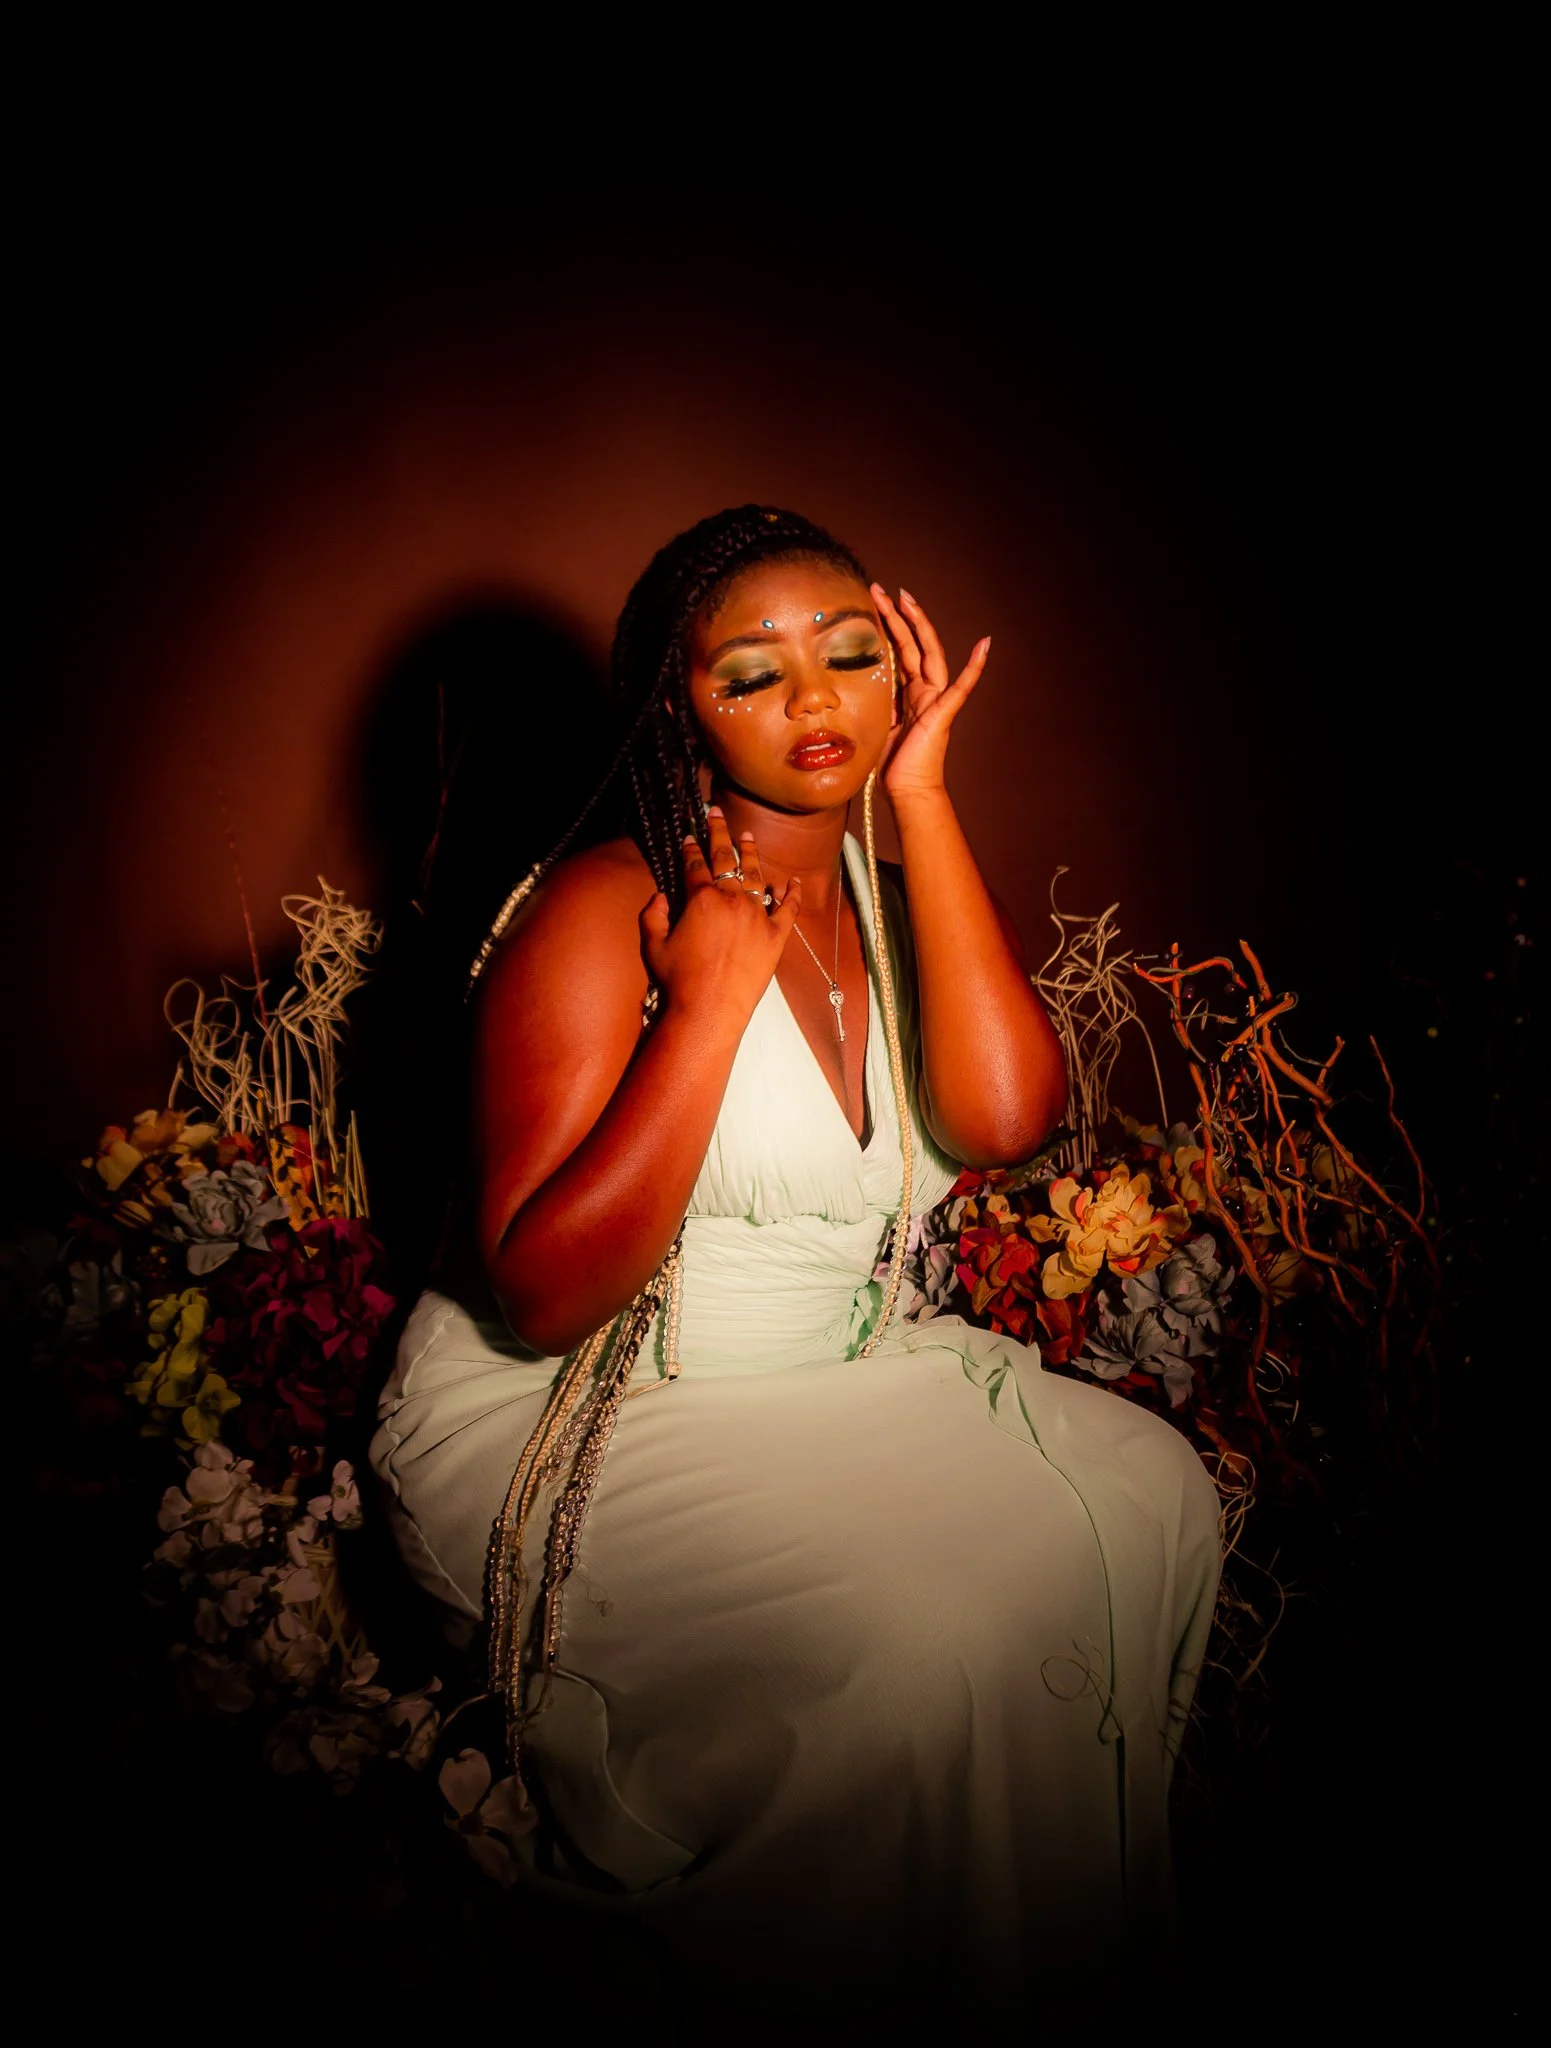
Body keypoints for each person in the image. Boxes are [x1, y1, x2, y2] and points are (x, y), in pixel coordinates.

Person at [370, 505, 1221, 2036]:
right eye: (749, 676)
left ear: (897, 675)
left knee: (1148, 1493)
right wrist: (701, 1008)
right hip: (594, 1396)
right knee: (921, 1645)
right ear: (673, 710)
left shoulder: (890, 902)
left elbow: (1007, 1117)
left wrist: (928, 804)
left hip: (830, 1366)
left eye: (846, 657)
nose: (812, 701)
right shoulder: (593, 909)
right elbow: (544, 1295)